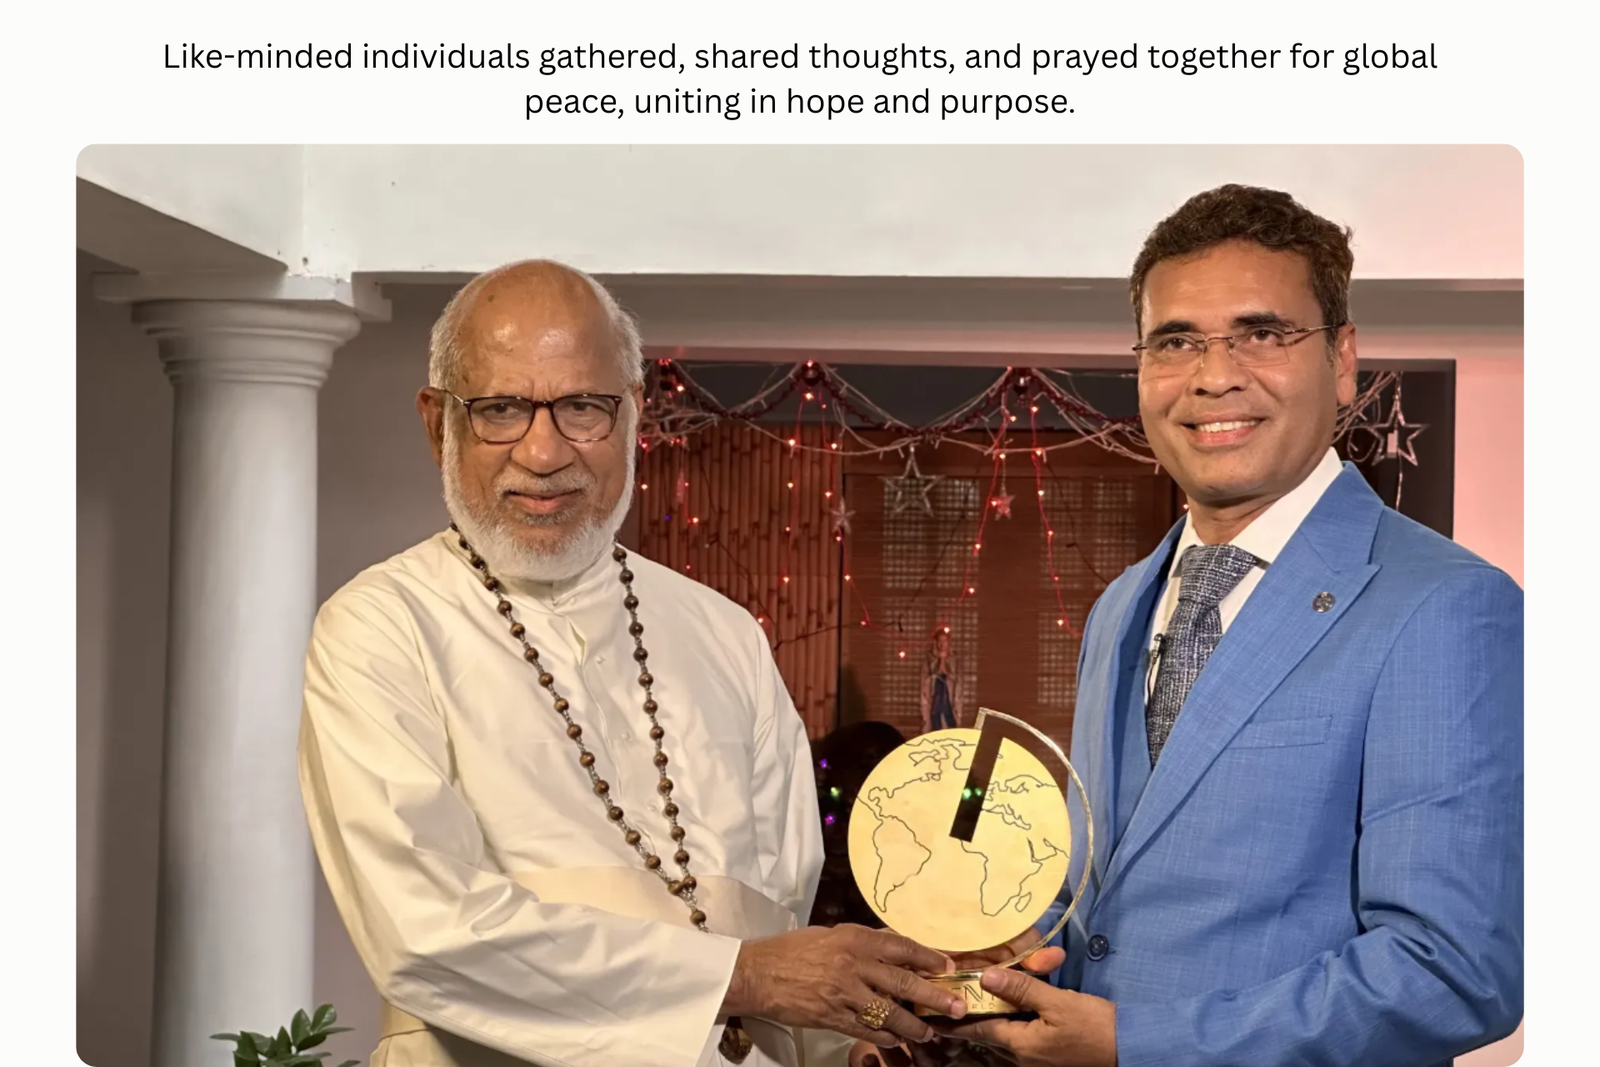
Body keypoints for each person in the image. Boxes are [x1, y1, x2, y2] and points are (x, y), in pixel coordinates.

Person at [297, 260, 969, 1067]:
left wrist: (852, 1040)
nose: (543, 452)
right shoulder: (381, 627)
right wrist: (744, 976)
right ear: (437, 422)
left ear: (634, 414)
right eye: (501, 409)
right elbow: (429, 934)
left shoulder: (725, 634)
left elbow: (776, 930)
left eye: (582, 406)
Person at [941, 185, 1524, 1066]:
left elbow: (1452, 970)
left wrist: (1136, 1042)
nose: (1214, 375)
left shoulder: (1445, 606)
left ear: (1343, 361)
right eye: (1176, 341)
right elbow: (1103, 896)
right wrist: (1007, 963)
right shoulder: (1119, 605)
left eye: (1262, 333)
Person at [918, 630, 963, 733]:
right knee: (935, 727)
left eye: (945, 640)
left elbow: (958, 682)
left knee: (951, 727)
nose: (942, 644)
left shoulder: (955, 660)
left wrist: (947, 671)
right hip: (934, 699)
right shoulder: (929, 660)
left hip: (950, 700)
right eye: (940, 640)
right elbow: (924, 683)